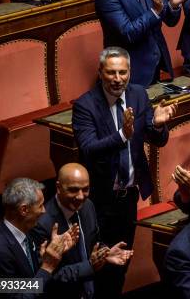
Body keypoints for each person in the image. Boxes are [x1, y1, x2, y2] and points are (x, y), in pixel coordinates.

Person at [71, 47, 177, 295]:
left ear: (130, 72)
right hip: (97, 200)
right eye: (111, 73)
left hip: (127, 196)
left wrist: (159, 126)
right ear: (100, 73)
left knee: (121, 262)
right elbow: (88, 149)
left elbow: (155, 138)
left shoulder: (139, 95)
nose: (117, 79)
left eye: (122, 72)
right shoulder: (85, 106)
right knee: (99, 264)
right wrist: (122, 135)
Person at [31, 163, 134, 299]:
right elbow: (46, 278)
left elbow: (94, 241)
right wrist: (89, 266)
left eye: (85, 189)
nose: (80, 196)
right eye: (73, 190)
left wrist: (105, 253)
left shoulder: (88, 207)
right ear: (58, 188)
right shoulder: (41, 223)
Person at [0, 178, 79, 299]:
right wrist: (47, 266)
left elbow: (28, 277)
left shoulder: (24, 232)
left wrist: (47, 257)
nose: (44, 211)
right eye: (40, 205)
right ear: (24, 210)